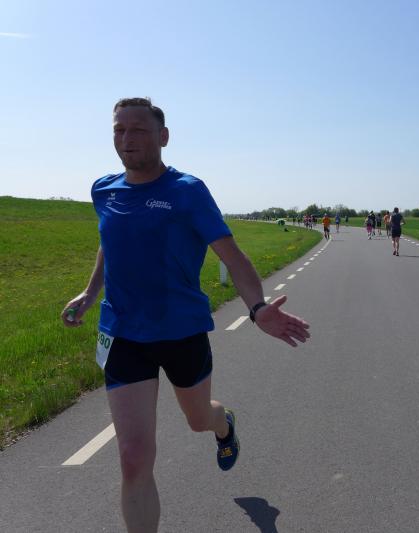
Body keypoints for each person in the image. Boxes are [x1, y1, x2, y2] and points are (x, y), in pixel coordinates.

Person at [60, 98, 311, 533]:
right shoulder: (103, 189)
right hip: (122, 334)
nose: (127, 138)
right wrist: (90, 291)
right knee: (133, 458)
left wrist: (257, 308)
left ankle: (223, 424)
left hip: (181, 331)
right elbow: (109, 241)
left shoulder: (187, 191)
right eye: (119, 129)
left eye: (138, 129)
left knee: (198, 421)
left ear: (163, 137)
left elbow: (232, 256)